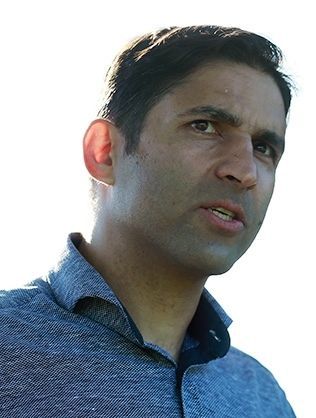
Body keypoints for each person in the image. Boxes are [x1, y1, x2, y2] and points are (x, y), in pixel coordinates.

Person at [0, 26, 295, 417]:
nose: (245, 171)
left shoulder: (263, 398)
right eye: (204, 126)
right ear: (105, 152)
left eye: (263, 148)